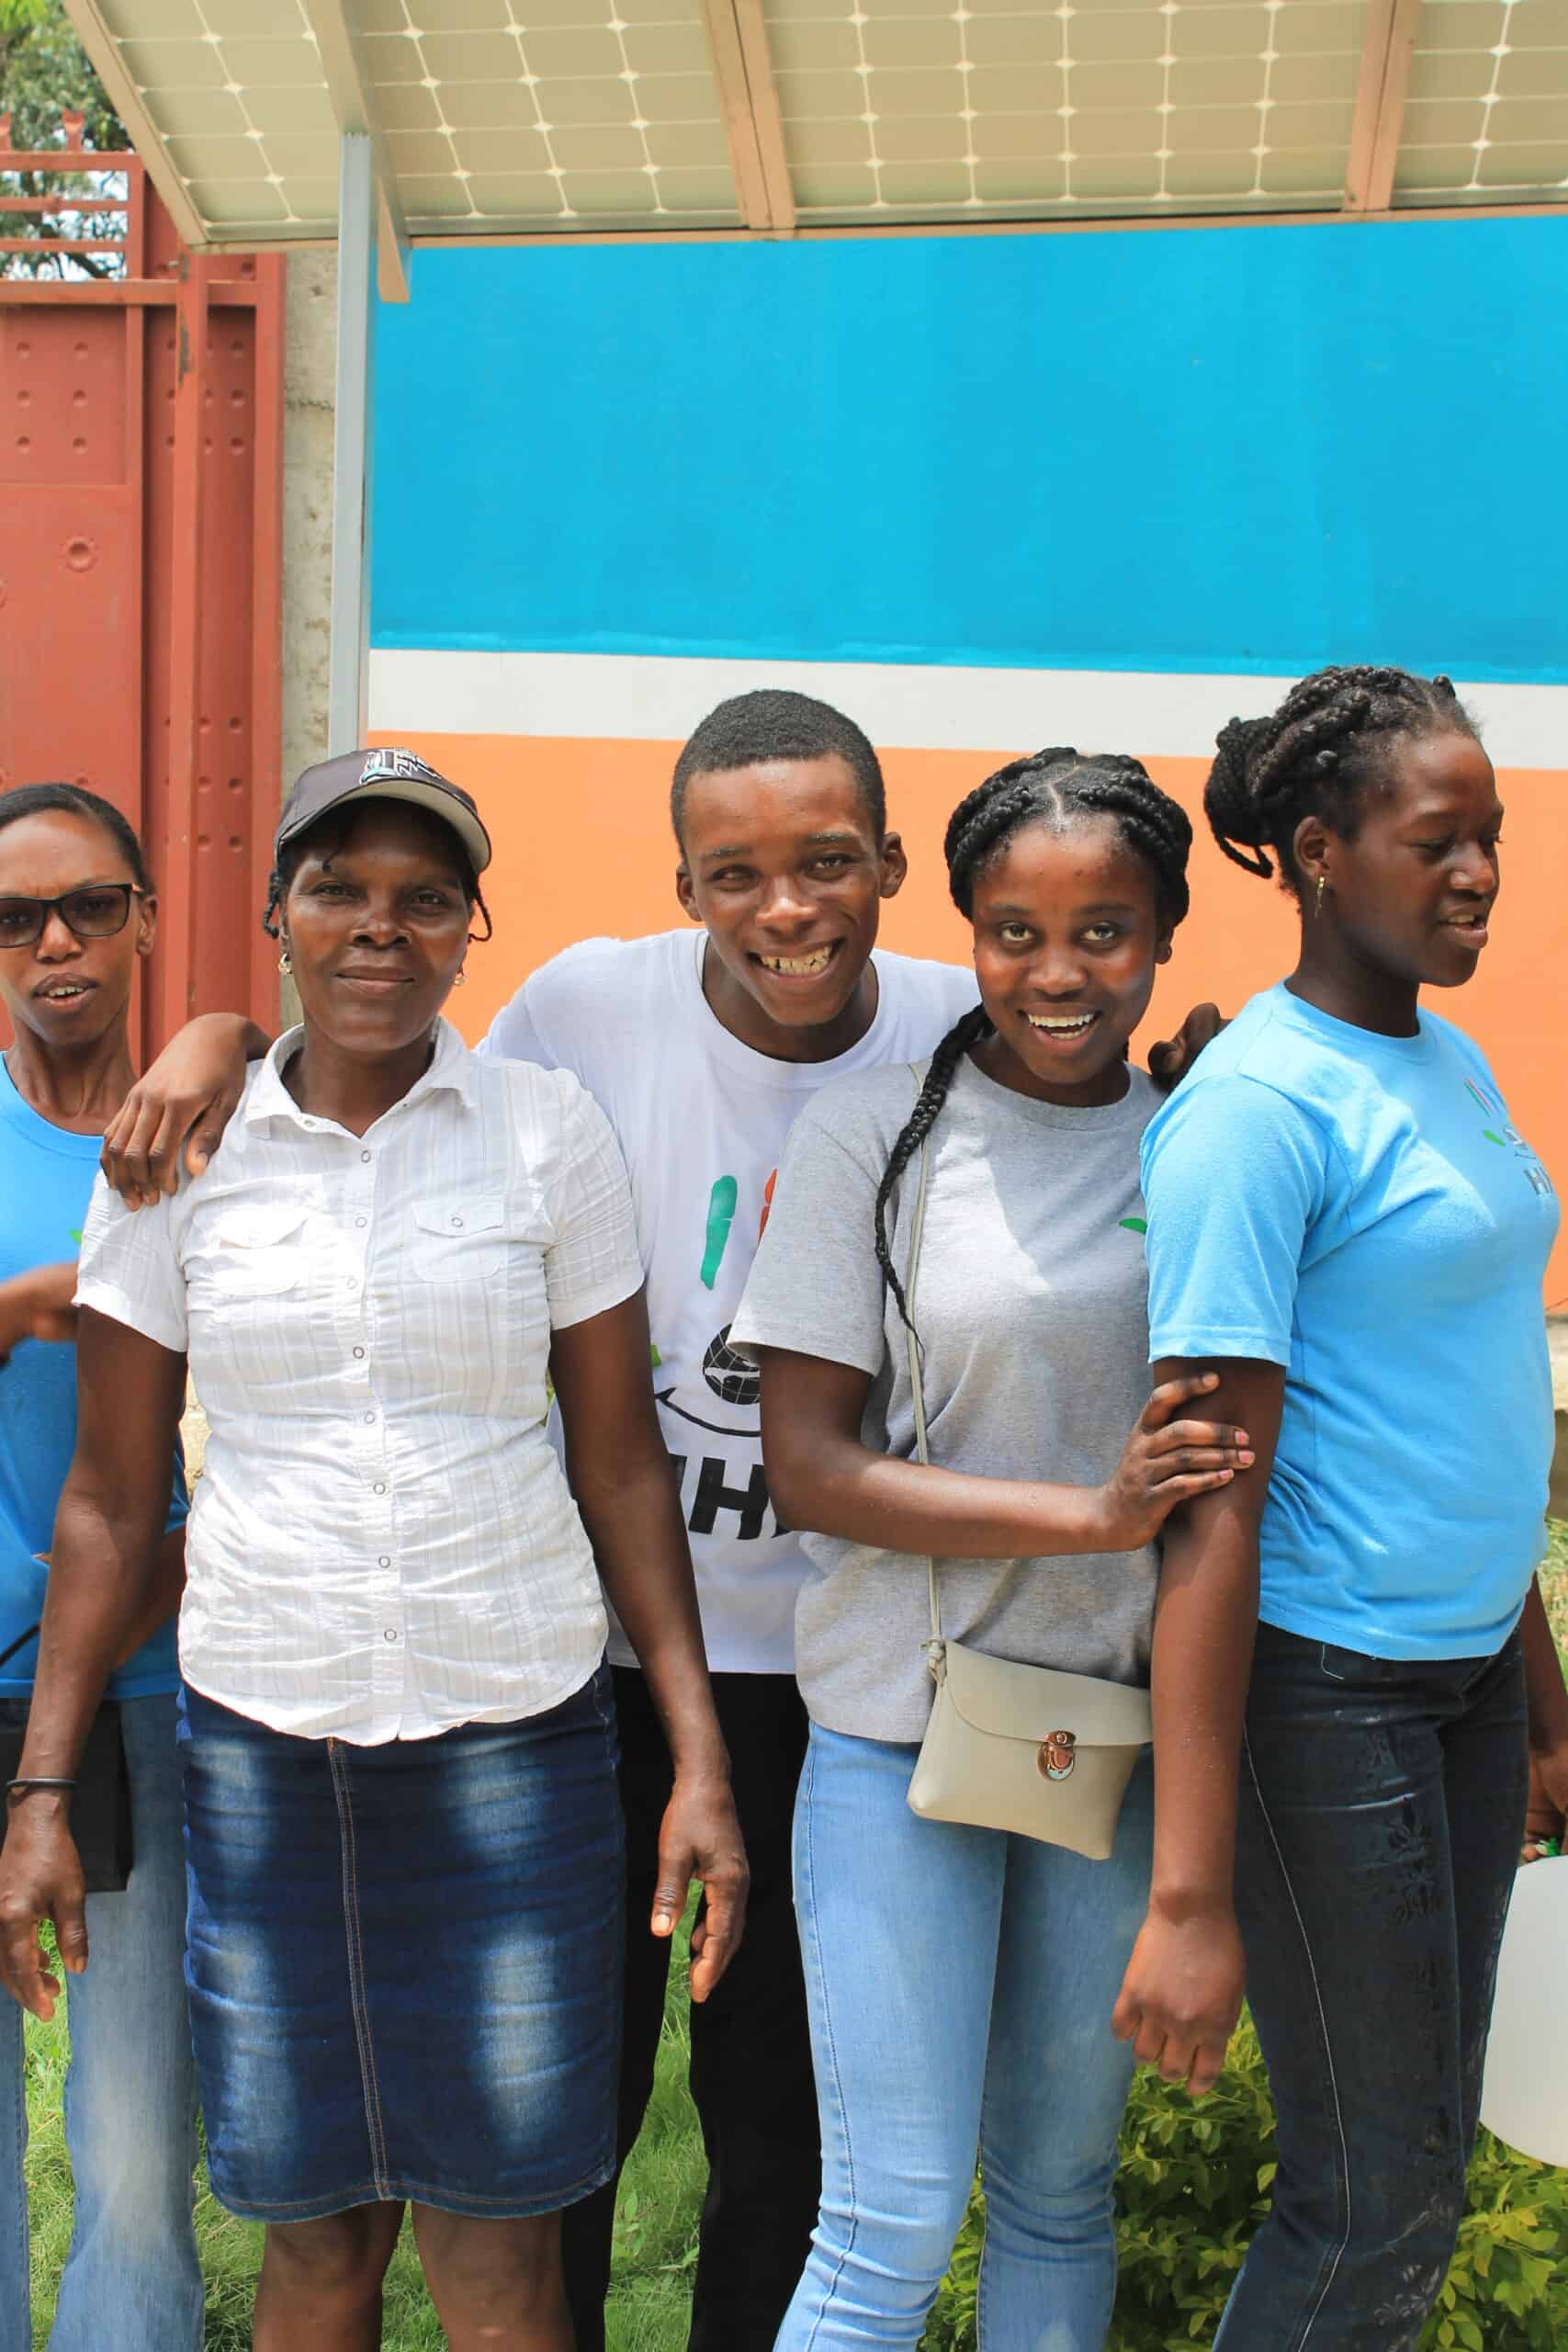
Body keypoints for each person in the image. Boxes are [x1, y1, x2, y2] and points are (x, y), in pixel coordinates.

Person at [87, 695, 1221, 2351]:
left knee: (784, 2129)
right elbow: (384, 1084)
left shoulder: (958, 1011)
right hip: (602, 1663)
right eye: (736, 871)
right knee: (571, 2125)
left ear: (897, 871)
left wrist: (1191, 1088)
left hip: (844, 1684)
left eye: (831, 864)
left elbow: (1091, 1065)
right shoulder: (585, 1010)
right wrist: (211, 1039)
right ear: (679, 880)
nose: (789, 910)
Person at [0, 750, 746, 2352]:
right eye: (337, 889)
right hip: (269, 1755)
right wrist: (45, 1793)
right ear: (274, 915)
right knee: (316, 2246)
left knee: (500, 2261)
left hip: (515, 1747)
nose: (377, 930)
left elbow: (621, 1466)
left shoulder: (549, 1135)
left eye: (423, 899)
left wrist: (695, 1757)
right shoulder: (176, 1159)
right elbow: (115, 1503)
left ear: (472, 929)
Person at [728, 749, 1254, 2350]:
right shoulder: (874, 1142)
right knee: (887, 2219)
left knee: (1055, 2193)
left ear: (1164, 932)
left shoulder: (1205, 1141)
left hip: (1112, 1743)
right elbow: (807, 1469)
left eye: (1104, 930)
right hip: (903, 1736)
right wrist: (1089, 1515)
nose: (1060, 972)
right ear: (962, 930)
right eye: (1014, 931)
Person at [1123, 668, 1568, 2349]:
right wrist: (1189, 1896)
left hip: (1458, 1691)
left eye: (1494, 842)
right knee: (1367, 2196)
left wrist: (1537, 1703)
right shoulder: (1257, 1114)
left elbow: (1468, 1404)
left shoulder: (1443, 1059)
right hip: (1333, 1698)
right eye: (1439, 841)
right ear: (1317, 852)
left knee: (1417, 2175)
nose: (1480, 877)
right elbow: (1210, 1498)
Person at [0, 782, 202, 2352]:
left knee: (135, 2153)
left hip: (142, 1694)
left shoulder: (224, 1138)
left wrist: (229, 1043)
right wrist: (23, 1309)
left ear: (143, 918)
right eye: (16, 920)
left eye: (88, 908)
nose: (55, 943)